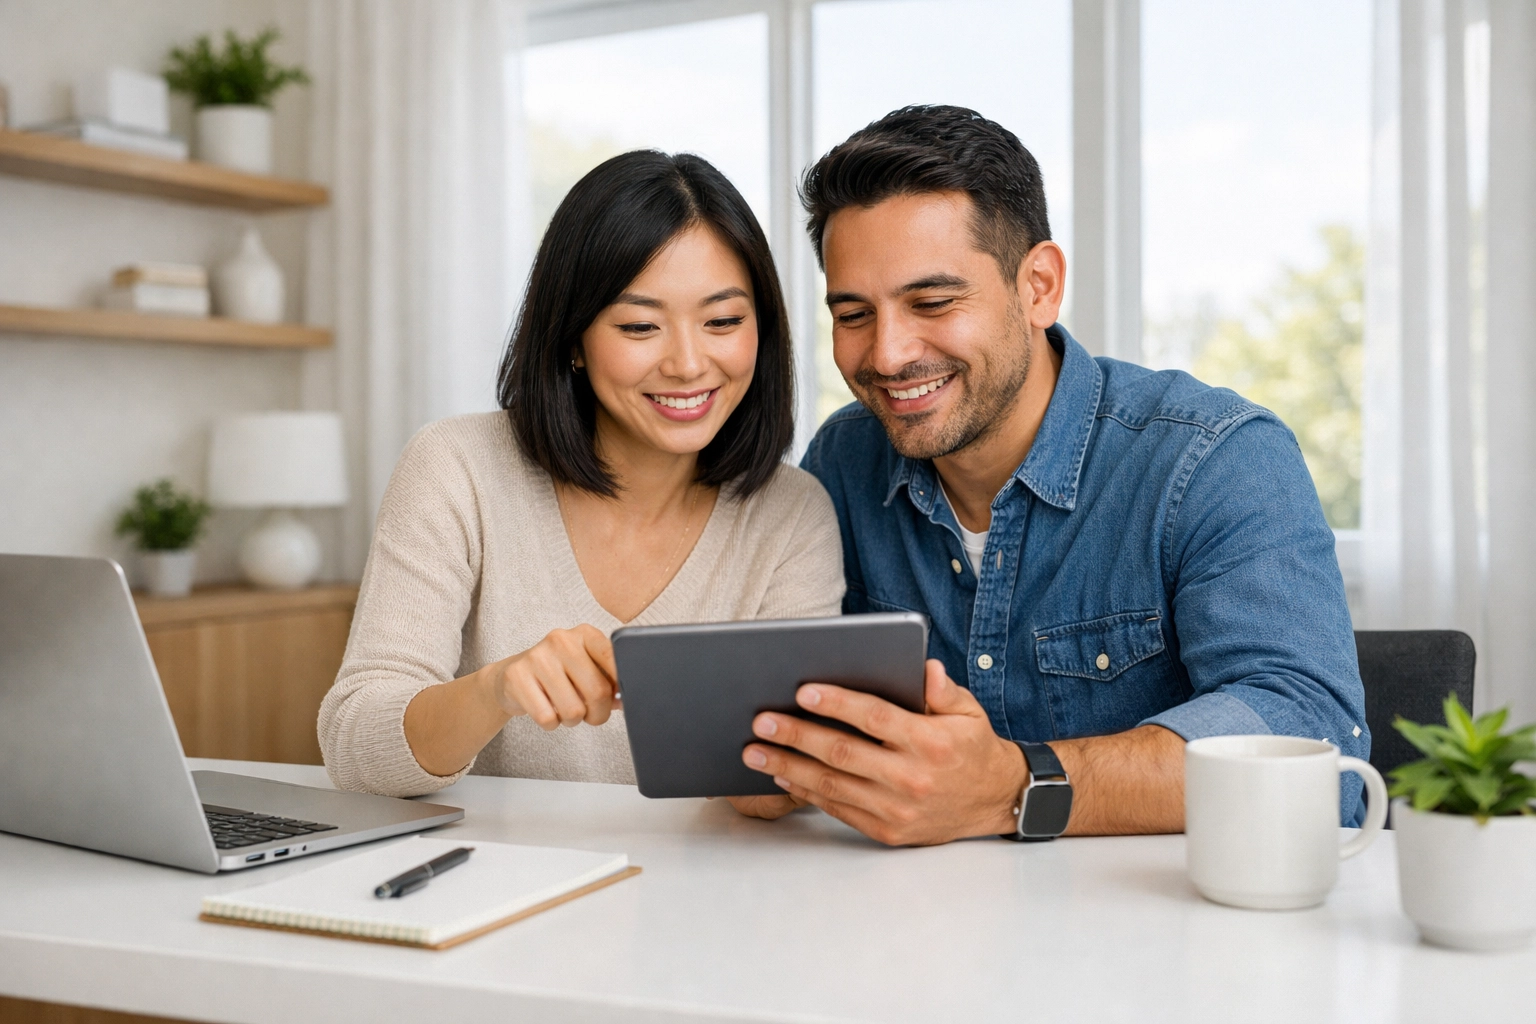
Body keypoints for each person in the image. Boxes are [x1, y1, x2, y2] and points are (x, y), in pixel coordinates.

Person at [735, 105, 1368, 845]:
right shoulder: (843, 462)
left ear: (1038, 285)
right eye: (852, 314)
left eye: (932, 302)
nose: (887, 354)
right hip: (918, 934)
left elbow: (1316, 751)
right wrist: (778, 765)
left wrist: (1016, 787)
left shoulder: (1217, 459)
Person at [319, 151, 843, 805]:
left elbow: (778, 797)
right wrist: (497, 690)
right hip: (492, 888)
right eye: (640, 326)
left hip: (709, 892)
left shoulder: (791, 513)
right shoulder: (458, 467)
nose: (687, 363)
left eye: (723, 322)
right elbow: (356, 749)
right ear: (573, 338)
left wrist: (785, 770)